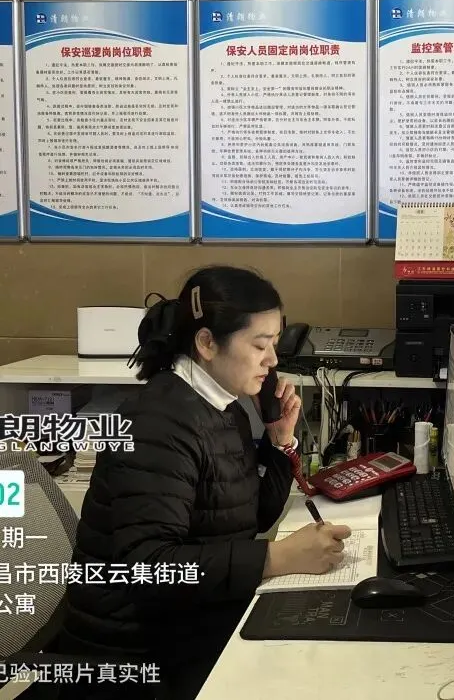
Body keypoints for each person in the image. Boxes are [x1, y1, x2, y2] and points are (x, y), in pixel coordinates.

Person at [52, 265, 351, 699]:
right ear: (207, 343)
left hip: (189, 622)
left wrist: (280, 440)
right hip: (137, 656)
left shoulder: (222, 406)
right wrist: (277, 558)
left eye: (274, 344)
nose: (272, 361)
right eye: (260, 345)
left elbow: (252, 515)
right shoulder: (159, 422)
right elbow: (150, 566)